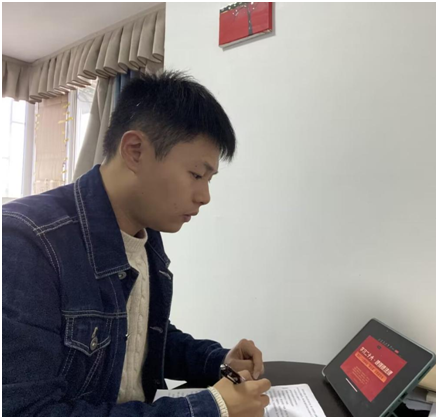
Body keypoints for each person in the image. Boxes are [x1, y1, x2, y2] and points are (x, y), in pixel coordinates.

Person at [2, 71, 271, 416]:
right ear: (135, 151)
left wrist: (218, 361)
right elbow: (27, 412)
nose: (204, 196)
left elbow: (138, 338)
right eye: (196, 175)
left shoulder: (145, 233)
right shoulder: (26, 242)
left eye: (209, 179)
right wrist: (208, 408)